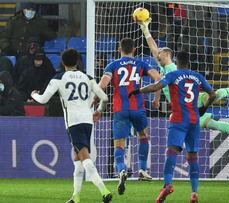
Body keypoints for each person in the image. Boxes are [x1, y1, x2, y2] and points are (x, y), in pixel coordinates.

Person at [139, 19, 229, 142]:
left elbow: (157, 82)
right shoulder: (165, 67)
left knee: (213, 98)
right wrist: (145, 29)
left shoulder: (172, 70)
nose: (157, 53)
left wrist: (139, 91)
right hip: (190, 108)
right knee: (214, 124)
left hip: (187, 107)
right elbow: (153, 49)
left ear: (167, 54)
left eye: (160, 52)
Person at [128, 51, 217, 203]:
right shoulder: (197, 77)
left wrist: (138, 91)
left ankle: (167, 185)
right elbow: (213, 94)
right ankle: (194, 192)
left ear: (177, 61)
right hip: (194, 119)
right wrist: (204, 108)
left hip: (179, 119)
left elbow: (156, 85)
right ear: (189, 62)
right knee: (192, 156)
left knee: (171, 152)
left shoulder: (173, 75)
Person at [31, 49, 112, 203]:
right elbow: (105, 97)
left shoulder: (59, 78)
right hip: (87, 121)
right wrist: (99, 111)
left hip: (74, 122)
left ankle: (104, 191)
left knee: (84, 156)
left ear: (62, 63)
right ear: (77, 61)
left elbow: (43, 100)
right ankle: (76, 196)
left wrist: (34, 94)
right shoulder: (88, 78)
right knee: (77, 158)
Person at [97, 38, 162, 194]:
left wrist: (95, 100)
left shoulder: (112, 65)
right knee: (143, 136)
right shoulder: (141, 64)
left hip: (120, 109)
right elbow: (159, 78)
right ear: (134, 50)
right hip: (138, 108)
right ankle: (142, 170)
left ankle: (121, 170)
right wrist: (157, 98)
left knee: (119, 144)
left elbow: (102, 86)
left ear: (119, 49)